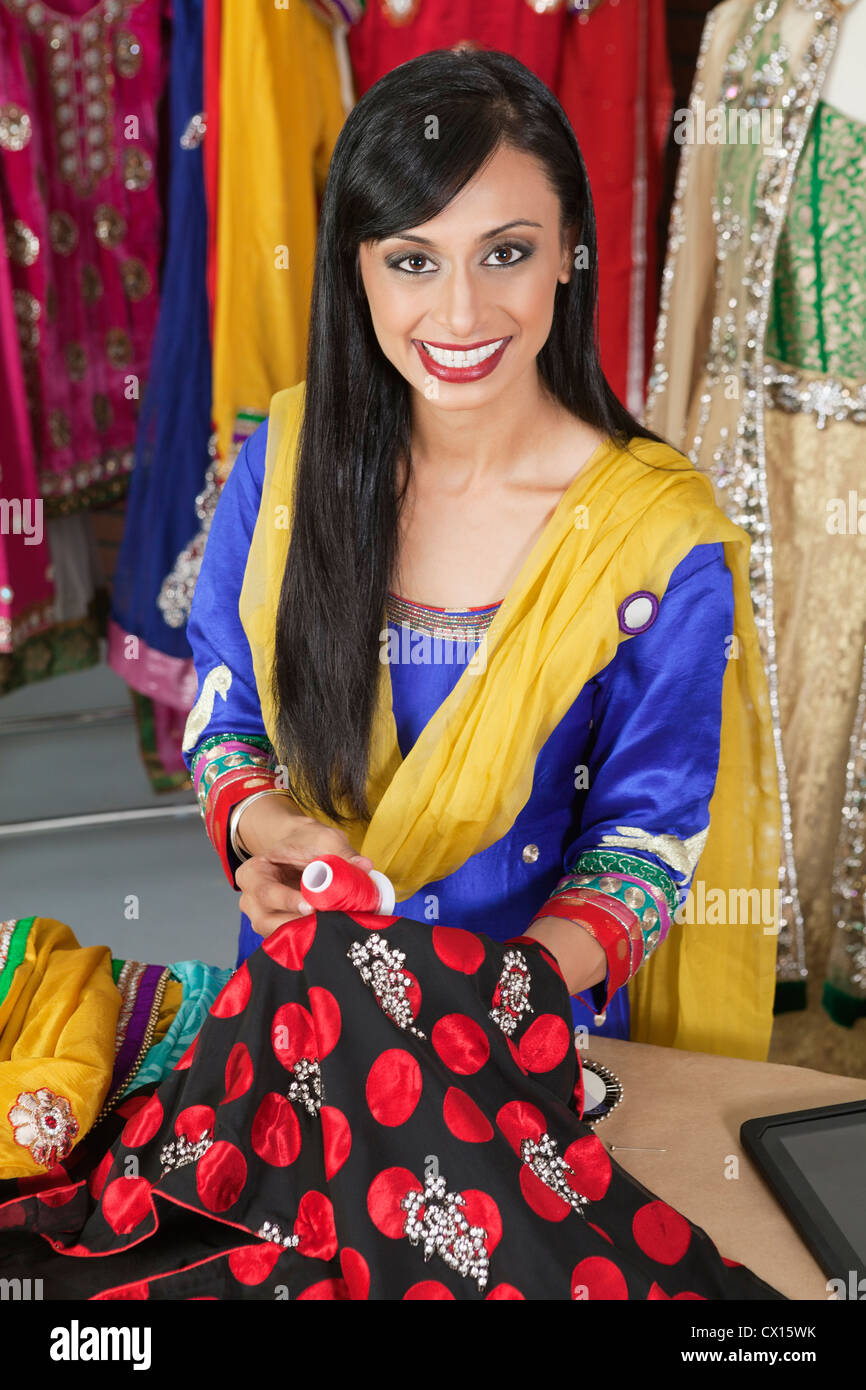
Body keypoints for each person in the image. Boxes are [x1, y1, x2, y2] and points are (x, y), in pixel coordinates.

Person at [0, 48, 784, 1300]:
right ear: (355, 266)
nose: (460, 313)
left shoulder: (656, 533)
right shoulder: (288, 459)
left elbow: (644, 848)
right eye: (412, 259)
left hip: (524, 1059)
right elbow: (225, 717)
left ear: (572, 249)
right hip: (293, 1047)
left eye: (506, 251)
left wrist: (490, 998)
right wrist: (270, 835)